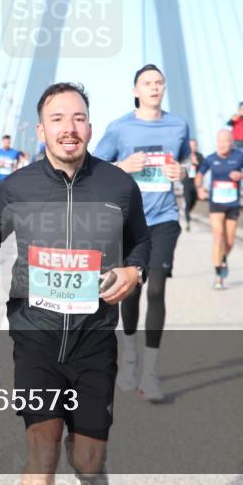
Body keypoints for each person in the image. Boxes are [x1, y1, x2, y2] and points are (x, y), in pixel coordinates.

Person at [0, 82, 151, 485]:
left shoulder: (118, 186)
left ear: (89, 127)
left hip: (94, 340)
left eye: (78, 118)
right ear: (41, 130)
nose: (69, 127)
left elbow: (141, 241)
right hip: (37, 338)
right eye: (58, 119)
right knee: (42, 452)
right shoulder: (17, 187)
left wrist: (134, 271)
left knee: (88, 461)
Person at [93, 63, 188, 403]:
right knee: (130, 291)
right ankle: (129, 357)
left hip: (163, 220)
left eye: (159, 82)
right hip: (127, 222)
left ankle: (149, 373)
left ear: (164, 88)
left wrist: (182, 170)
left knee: (157, 290)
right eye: (147, 83)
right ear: (135, 90)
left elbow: (187, 163)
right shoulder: (119, 128)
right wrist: (123, 166)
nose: (154, 87)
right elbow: (95, 167)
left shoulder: (178, 125)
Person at [196, 130, 243, 290]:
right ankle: (218, 275)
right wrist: (200, 188)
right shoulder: (210, 158)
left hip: (233, 204)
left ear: (232, 142)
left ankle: (223, 259)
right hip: (216, 203)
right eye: (219, 141)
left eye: (226, 141)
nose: (222, 144)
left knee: (229, 242)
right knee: (218, 236)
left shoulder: (239, 157)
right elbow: (199, 175)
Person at [182, 138, 205, 233]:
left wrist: (197, 163)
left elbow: (203, 169)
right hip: (187, 182)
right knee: (188, 201)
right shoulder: (185, 156)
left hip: (196, 182)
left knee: (194, 201)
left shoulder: (200, 156)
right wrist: (189, 163)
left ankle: (187, 212)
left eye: (194, 146)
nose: (192, 148)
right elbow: (181, 168)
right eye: (190, 146)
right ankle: (188, 222)